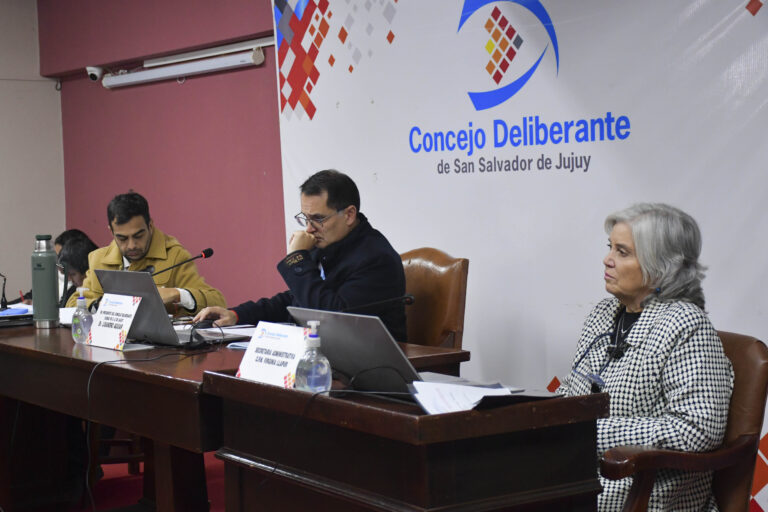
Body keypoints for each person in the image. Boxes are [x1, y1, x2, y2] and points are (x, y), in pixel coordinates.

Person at [557, 203, 733, 511]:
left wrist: (590, 432)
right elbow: (573, 391)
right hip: (576, 480)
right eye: (609, 247)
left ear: (661, 265)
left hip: (641, 494)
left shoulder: (686, 325)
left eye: (622, 252)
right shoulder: (602, 314)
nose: (607, 259)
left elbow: (697, 430)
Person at [194, 169, 407, 340]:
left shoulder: (376, 259)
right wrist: (237, 315)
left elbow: (331, 318)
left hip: (372, 371)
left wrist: (297, 258)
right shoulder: (328, 245)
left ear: (349, 214)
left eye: (318, 219)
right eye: (305, 218)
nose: (309, 229)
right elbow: (295, 301)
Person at [66, 192, 226, 314]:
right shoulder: (98, 259)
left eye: (138, 235)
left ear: (150, 226)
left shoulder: (175, 256)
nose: (131, 245)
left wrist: (177, 294)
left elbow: (218, 302)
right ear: (111, 232)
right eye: (122, 238)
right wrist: (100, 305)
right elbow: (73, 304)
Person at [57, 236, 98, 306]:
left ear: (88, 271)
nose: (69, 279)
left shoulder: (98, 292)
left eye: (73, 274)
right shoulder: (71, 292)